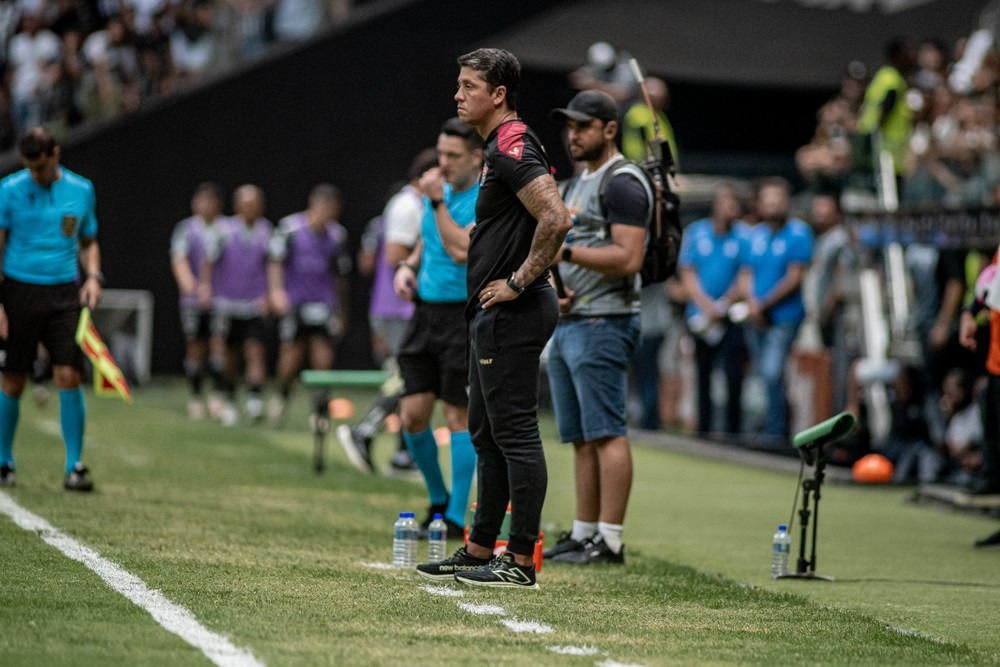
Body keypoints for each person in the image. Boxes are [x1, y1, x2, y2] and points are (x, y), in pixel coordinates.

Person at [416, 48, 572, 588]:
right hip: (494, 312)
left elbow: (556, 218)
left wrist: (520, 281)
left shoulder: (510, 146)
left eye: (467, 86)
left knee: (516, 434)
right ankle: (481, 548)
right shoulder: (498, 147)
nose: (457, 95)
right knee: (485, 432)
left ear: (497, 94)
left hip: (516, 310)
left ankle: (522, 560)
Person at [540, 89, 649, 565]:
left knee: (607, 431)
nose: (573, 135)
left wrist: (563, 253)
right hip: (572, 320)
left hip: (607, 319)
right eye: (570, 126)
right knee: (581, 435)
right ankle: (585, 533)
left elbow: (629, 257)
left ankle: (611, 540)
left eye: (583, 126)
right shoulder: (575, 184)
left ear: (609, 128)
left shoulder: (623, 181)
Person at [372, 118, 483, 538]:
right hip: (424, 313)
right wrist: (408, 267)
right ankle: (437, 501)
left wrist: (436, 201)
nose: (445, 163)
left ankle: (455, 518)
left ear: (477, 156)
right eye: (441, 154)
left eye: (454, 156)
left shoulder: (482, 196)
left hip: (462, 315)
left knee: (456, 413)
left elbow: (460, 251)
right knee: (413, 414)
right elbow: (427, 241)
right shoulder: (436, 193)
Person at [0, 126, 103, 491]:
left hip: (63, 293)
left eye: (41, 167)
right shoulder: (9, 190)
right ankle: (3, 462)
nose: (37, 175)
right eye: (31, 168)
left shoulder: (81, 190)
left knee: (68, 376)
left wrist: (93, 277)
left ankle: (75, 466)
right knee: (13, 378)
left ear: (55, 155)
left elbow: (89, 241)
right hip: (18, 291)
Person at [337, 148, 438, 474]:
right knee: (407, 374)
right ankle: (364, 431)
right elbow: (396, 255)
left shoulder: (417, 203)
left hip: (401, 305)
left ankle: (403, 454)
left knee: (414, 378)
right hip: (399, 306)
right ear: (425, 175)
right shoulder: (408, 205)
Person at [267, 183, 351, 427]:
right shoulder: (289, 229)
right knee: (290, 359)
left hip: (324, 304)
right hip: (295, 303)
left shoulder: (337, 235)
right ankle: (281, 399)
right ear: (314, 206)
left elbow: (340, 276)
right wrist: (276, 292)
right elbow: (275, 261)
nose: (329, 216)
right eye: (326, 209)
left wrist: (342, 311)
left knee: (323, 359)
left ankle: (320, 411)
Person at [738, 177, 813, 440]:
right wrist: (751, 303)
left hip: (783, 317)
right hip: (756, 317)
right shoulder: (755, 235)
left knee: (772, 371)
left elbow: (795, 276)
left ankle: (775, 434)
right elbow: (746, 274)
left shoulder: (799, 232)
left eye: (777, 199)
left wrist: (763, 303)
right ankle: (771, 426)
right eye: (768, 200)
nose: (772, 205)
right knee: (762, 374)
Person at [678, 186, 750, 437]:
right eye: (725, 203)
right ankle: (704, 431)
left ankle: (733, 431)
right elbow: (688, 273)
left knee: (733, 374)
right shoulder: (696, 232)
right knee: (703, 374)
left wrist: (724, 303)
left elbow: (745, 276)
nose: (730, 209)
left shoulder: (744, 236)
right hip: (700, 317)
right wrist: (706, 304)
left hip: (729, 316)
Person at [202, 184, 272, 425]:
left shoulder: (266, 231)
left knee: (255, 350)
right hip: (227, 304)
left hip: (254, 304)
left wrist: (269, 294)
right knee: (228, 354)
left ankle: (254, 399)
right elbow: (208, 262)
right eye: (246, 204)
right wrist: (206, 288)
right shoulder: (224, 231)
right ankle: (229, 397)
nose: (251, 209)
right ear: (237, 206)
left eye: (255, 204)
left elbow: (272, 265)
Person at [170, 181, 227, 420]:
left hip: (220, 300)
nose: (204, 206)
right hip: (192, 301)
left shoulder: (226, 229)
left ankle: (218, 396)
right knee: (195, 346)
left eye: (209, 202)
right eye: (200, 201)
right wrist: (189, 284)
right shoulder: (186, 229)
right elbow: (179, 259)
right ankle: (195, 398)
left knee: (218, 345)